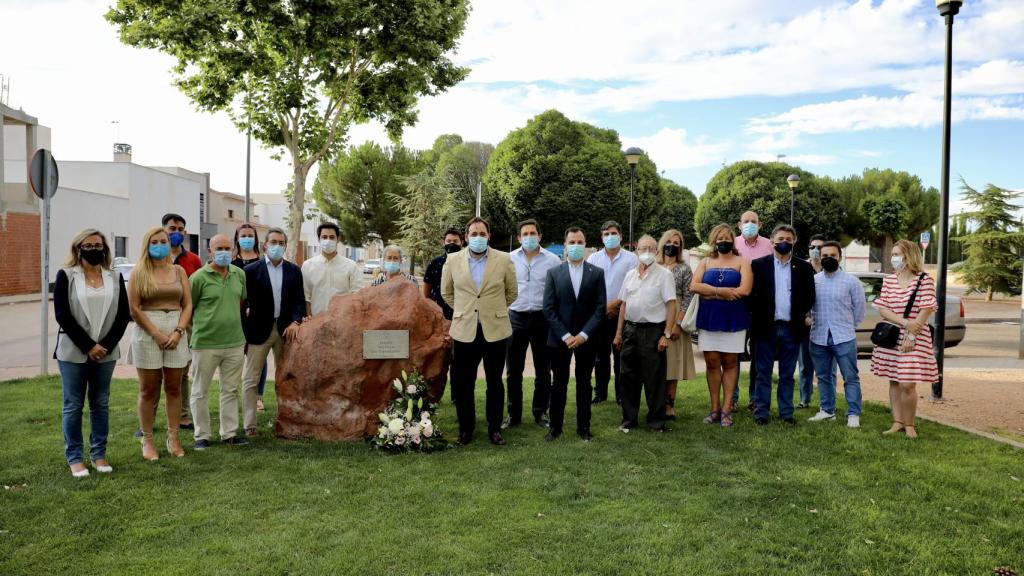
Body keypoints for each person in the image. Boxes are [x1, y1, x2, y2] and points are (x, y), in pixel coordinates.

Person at [53, 229, 131, 477]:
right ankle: (75, 457)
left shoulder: (114, 277)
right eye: (88, 245)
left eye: (98, 245)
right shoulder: (66, 275)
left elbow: (122, 315)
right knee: (73, 405)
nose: (94, 249)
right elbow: (62, 314)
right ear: (78, 248)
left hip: (106, 353)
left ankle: (99, 454)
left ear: (105, 249)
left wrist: (103, 345)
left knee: (100, 404)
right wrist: (88, 346)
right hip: (73, 351)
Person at [441, 216, 518, 446]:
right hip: (465, 330)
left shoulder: (503, 259)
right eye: (473, 234)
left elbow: (512, 292)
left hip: (495, 329)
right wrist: (466, 310)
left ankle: (495, 429)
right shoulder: (453, 260)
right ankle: (466, 430)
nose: (478, 238)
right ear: (466, 238)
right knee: (464, 383)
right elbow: (447, 293)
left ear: (489, 236)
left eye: (482, 234)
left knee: (495, 382)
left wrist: (491, 310)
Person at [128, 226, 193, 460]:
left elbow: (188, 305)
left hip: (176, 328)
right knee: (148, 390)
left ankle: (173, 437)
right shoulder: (139, 272)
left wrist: (178, 331)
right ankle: (147, 440)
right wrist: (156, 333)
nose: (159, 245)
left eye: (163, 241)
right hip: (148, 331)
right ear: (147, 245)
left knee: (174, 387)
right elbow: (134, 308)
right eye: (154, 242)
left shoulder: (178, 271)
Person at [542, 227, 605, 442]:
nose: (576, 246)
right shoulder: (554, 273)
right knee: (558, 383)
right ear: (565, 244)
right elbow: (548, 308)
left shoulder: (596, 273)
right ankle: (555, 428)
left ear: (585, 245)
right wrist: (566, 335)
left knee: (584, 383)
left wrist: (584, 335)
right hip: (560, 340)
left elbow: (600, 308)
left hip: (587, 340)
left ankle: (584, 427)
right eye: (572, 242)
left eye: (580, 242)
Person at [871, 240, 939, 439]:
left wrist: (911, 334)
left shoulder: (924, 280)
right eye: (893, 254)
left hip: (915, 337)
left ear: (909, 256)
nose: (894, 258)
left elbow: (926, 309)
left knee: (907, 383)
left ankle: (910, 424)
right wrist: (904, 323)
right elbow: (883, 308)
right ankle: (897, 422)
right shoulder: (890, 280)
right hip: (893, 335)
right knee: (894, 380)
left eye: (898, 254)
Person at [241, 227, 305, 437]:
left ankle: (285, 422)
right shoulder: (250, 271)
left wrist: (296, 321)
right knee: (251, 379)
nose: (277, 246)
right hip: (258, 331)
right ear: (265, 245)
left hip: (286, 332)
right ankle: (250, 425)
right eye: (273, 242)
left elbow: (298, 301)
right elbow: (242, 303)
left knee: (286, 378)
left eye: (281, 243)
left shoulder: (294, 270)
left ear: (286, 246)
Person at [749, 225, 816, 426]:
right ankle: (761, 412)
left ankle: (786, 413)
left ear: (794, 241)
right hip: (765, 327)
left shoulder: (803, 267)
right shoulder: (758, 265)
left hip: (791, 328)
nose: (784, 242)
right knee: (763, 373)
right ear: (772, 241)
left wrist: (800, 315)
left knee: (787, 374)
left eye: (788, 238)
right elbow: (752, 296)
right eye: (780, 238)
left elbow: (809, 296)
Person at [189, 234, 250, 449]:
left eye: (227, 248)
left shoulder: (239, 274)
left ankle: (229, 434)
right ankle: (202, 435)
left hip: (234, 342)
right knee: (200, 391)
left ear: (233, 251)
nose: (224, 252)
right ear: (210, 252)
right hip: (205, 343)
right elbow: (189, 308)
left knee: (230, 390)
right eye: (219, 248)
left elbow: (241, 302)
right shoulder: (198, 278)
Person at [689, 224, 752, 427]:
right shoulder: (706, 261)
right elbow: (694, 286)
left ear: (733, 240)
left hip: (734, 320)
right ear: (713, 241)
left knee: (731, 363)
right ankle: (714, 408)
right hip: (709, 319)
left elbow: (745, 290)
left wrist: (710, 292)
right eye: (719, 238)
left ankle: (727, 409)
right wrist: (721, 292)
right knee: (712, 363)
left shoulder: (742, 262)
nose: (723, 241)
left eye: (727, 237)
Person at [613, 235, 677, 433]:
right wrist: (618, 333)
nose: (646, 251)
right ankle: (629, 420)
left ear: (657, 251)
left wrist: (665, 335)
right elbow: (623, 305)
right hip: (630, 330)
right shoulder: (630, 275)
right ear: (636, 252)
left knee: (654, 379)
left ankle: (656, 422)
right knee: (628, 377)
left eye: (651, 248)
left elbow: (672, 305)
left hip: (653, 331)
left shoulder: (664, 275)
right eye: (642, 248)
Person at [506, 219, 561, 428]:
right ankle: (513, 415)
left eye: (532, 233)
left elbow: (557, 291)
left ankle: (540, 413)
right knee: (513, 370)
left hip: (542, 319)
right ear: (519, 238)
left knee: (543, 370)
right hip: (516, 318)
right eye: (525, 234)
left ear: (540, 236)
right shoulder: (509, 259)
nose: (529, 237)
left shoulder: (553, 260)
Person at [807, 241, 866, 427]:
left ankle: (854, 413)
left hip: (844, 337)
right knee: (823, 377)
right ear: (820, 258)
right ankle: (827, 410)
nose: (828, 259)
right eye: (825, 256)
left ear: (840, 257)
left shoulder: (851, 282)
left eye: (832, 256)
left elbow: (859, 311)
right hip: (818, 336)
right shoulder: (814, 281)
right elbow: (807, 307)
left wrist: (848, 327)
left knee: (850, 377)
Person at [586, 220, 638, 404]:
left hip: (621, 314)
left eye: (613, 233)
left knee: (621, 357)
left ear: (621, 236)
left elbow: (632, 287)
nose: (610, 237)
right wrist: (603, 308)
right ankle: (600, 393)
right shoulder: (593, 259)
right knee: (600, 358)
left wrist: (613, 305)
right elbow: (589, 288)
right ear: (602, 237)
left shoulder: (631, 259)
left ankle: (621, 394)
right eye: (606, 234)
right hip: (599, 316)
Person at [733, 210, 774, 411]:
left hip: (760, 306)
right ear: (739, 225)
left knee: (757, 355)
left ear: (760, 224)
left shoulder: (769, 245)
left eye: (753, 221)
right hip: (736, 304)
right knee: (733, 354)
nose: (750, 224)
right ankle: (731, 399)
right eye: (746, 221)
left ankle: (754, 399)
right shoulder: (731, 244)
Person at [657, 229, 696, 420]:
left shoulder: (684, 268)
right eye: (669, 241)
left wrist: (678, 324)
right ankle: (655, 403)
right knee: (655, 364)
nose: (672, 245)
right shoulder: (653, 265)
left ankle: (669, 406)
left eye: (676, 243)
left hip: (677, 314)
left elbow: (689, 297)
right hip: (656, 315)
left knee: (671, 366)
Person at [422, 228, 463, 404]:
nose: (451, 244)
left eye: (455, 241)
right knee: (438, 362)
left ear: (462, 242)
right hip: (439, 322)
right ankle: (433, 397)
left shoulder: (467, 263)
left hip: (461, 319)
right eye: (449, 241)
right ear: (443, 243)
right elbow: (426, 294)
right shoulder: (435, 263)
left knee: (459, 362)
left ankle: (457, 396)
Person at [232, 224, 269, 412]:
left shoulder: (264, 262)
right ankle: (233, 395)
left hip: (257, 318)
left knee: (258, 359)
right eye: (243, 235)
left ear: (256, 239)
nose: (247, 238)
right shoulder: (231, 263)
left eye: (250, 235)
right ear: (237, 238)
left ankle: (258, 397)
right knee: (234, 359)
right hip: (235, 319)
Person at [797, 234, 830, 408]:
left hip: (826, 325)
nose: (815, 251)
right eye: (812, 247)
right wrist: (805, 315)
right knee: (804, 365)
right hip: (806, 325)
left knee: (827, 368)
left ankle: (828, 402)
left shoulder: (830, 269)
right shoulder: (802, 268)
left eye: (819, 247)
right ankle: (805, 399)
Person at [301, 222, 361, 317]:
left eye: (332, 237)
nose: (328, 240)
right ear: (318, 239)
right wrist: (308, 317)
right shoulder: (308, 266)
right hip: (316, 321)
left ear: (338, 239)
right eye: (324, 237)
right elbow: (306, 296)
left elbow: (357, 294)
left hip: (342, 321)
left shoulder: (351, 266)